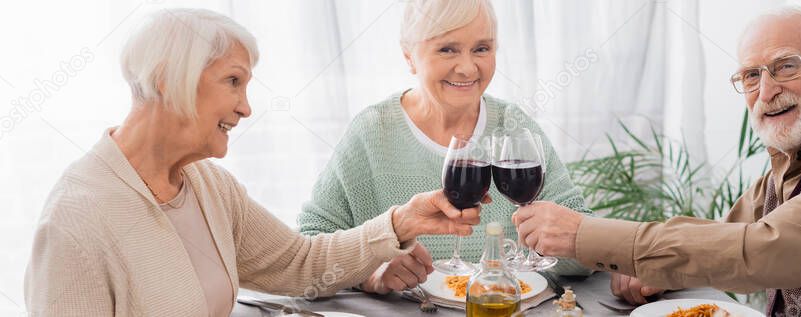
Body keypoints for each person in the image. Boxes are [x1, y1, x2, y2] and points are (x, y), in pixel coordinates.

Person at [24, 9, 479, 316]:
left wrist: (399, 223)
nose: (245, 108)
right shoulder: (77, 221)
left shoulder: (208, 186)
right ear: (166, 80)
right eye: (233, 82)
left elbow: (301, 264)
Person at [511, 6, 801, 316]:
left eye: (786, 66)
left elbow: (759, 251)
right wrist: (654, 267)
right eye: (751, 76)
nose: (765, 92)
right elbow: (727, 237)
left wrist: (585, 234)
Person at [297, 0, 591, 295]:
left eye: (481, 49)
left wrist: (619, 262)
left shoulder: (513, 126)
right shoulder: (372, 131)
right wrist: (369, 272)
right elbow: (307, 249)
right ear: (409, 56)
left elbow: (583, 248)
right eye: (447, 49)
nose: (466, 68)